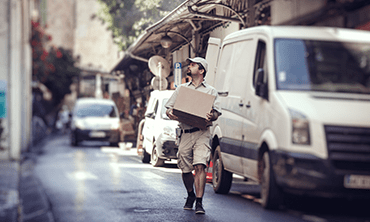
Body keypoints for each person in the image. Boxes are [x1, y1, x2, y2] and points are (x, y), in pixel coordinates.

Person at [165, 57, 221, 214]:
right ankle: (190, 194)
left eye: (193, 65)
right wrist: (171, 114)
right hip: (185, 133)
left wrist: (212, 116)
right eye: (189, 65)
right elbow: (169, 108)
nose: (189, 67)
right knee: (185, 169)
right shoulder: (182, 89)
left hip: (202, 133)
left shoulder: (211, 91)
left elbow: (216, 112)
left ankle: (199, 202)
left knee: (200, 165)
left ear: (201, 70)